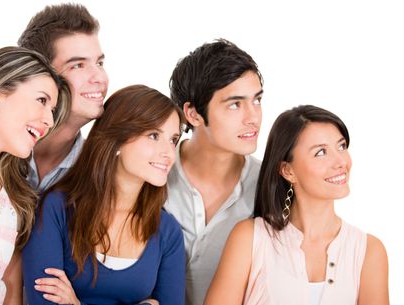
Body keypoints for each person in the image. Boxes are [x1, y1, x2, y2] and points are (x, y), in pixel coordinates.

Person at [204, 105, 389, 305]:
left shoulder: (369, 251)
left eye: (341, 146)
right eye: (321, 152)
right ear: (287, 171)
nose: (340, 162)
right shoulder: (249, 239)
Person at [22, 85, 187, 305]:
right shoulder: (57, 208)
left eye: (173, 139)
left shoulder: (168, 231)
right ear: (117, 139)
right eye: (154, 135)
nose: (168, 153)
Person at [0, 46, 70, 305]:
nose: (49, 121)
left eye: (52, 110)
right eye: (42, 100)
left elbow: (10, 291)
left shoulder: (16, 202)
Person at [164, 38, 263, 305]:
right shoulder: (153, 172)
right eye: (235, 104)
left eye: (257, 100)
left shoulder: (269, 186)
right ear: (193, 114)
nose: (253, 117)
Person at [18, 3, 109, 193]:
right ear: (40, 73)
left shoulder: (99, 173)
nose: (100, 78)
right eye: (78, 65)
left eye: (99, 63)